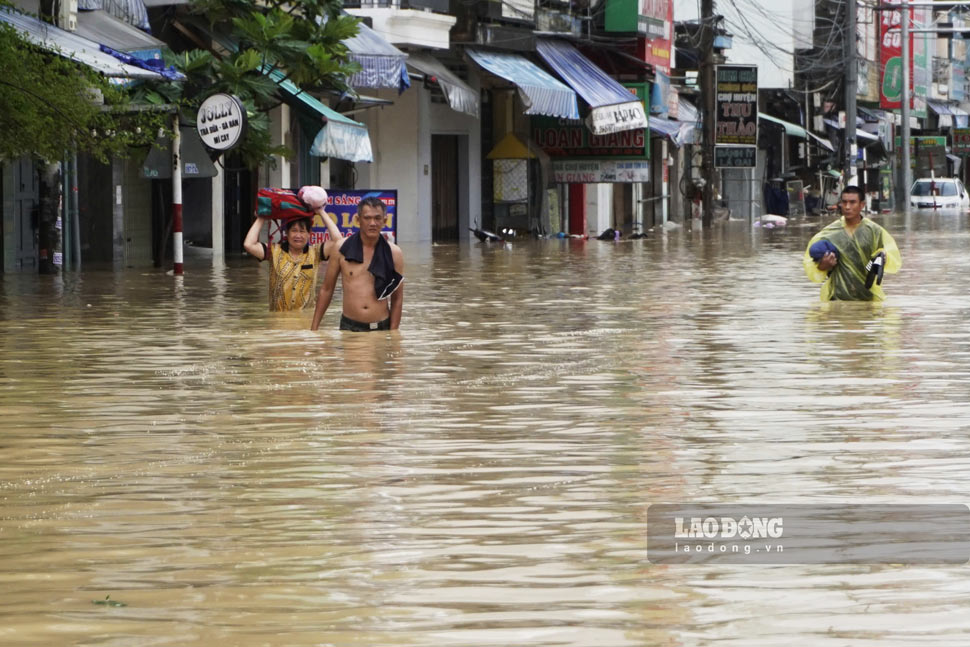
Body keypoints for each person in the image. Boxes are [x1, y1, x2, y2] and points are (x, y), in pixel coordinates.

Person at [310, 196, 404, 331]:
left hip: (381, 326)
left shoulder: (394, 253)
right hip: (350, 326)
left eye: (377, 218)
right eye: (367, 218)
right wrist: (314, 329)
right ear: (358, 220)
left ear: (385, 221)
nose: (372, 223)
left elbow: (397, 298)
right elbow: (326, 289)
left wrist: (393, 335)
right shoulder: (341, 248)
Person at [243, 198, 344, 311]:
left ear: (309, 234)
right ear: (287, 233)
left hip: (306, 320)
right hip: (278, 320)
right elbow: (249, 245)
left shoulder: (315, 253)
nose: (298, 235)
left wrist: (321, 212)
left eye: (302, 231)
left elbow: (338, 242)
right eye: (294, 231)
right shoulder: (274, 251)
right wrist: (261, 218)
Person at [803, 185, 901, 301]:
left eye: (852, 202)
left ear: (862, 205)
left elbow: (894, 259)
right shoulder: (828, 233)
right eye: (844, 202)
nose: (847, 207)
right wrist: (822, 265)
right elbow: (810, 267)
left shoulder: (875, 231)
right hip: (837, 298)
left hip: (868, 298)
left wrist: (883, 258)